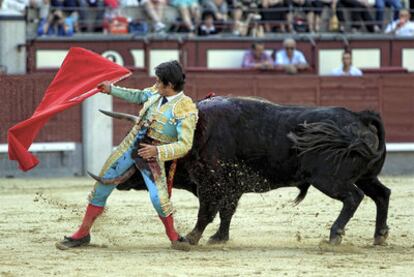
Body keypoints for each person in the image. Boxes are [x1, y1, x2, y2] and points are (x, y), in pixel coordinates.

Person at [55, 61, 198, 251]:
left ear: (170, 85)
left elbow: (185, 145)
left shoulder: (185, 108)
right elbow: (138, 95)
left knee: (158, 198)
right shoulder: (157, 93)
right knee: (103, 184)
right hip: (130, 144)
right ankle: (82, 234)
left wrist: (158, 151)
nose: (155, 85)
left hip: (152, 153)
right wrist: (110, 89)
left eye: (158, 81)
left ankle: (174, 237)